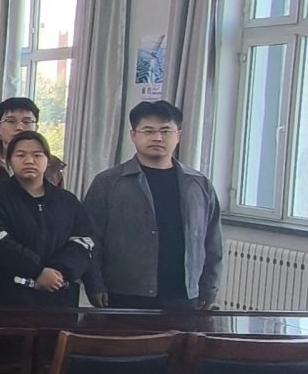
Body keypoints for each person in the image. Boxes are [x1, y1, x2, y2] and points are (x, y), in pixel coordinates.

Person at [83, 100, 223, 310]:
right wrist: (95, 283)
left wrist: (209, 288)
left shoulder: (199, 184)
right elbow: (91, 237)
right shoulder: (109, 182)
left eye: (166, 131)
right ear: (133, 135)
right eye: (148, 131)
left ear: (179, 135)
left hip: (184, 293)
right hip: (124, 291)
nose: (157, 137)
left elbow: (212, 241)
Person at [0, 131, 93, 307]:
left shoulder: (67, 201)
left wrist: (57, 272)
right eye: (21, 155)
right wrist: (37, 271)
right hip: (8, 298)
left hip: (60, 296)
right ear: (9, 161)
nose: (29, 161)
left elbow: (83, 241)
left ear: (48, 161)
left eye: (37, 155)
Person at [0, 96, 65, 196]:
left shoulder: (52, 166)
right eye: (11, 121)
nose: (19, 128)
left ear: (36, 128)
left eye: (26, 122)